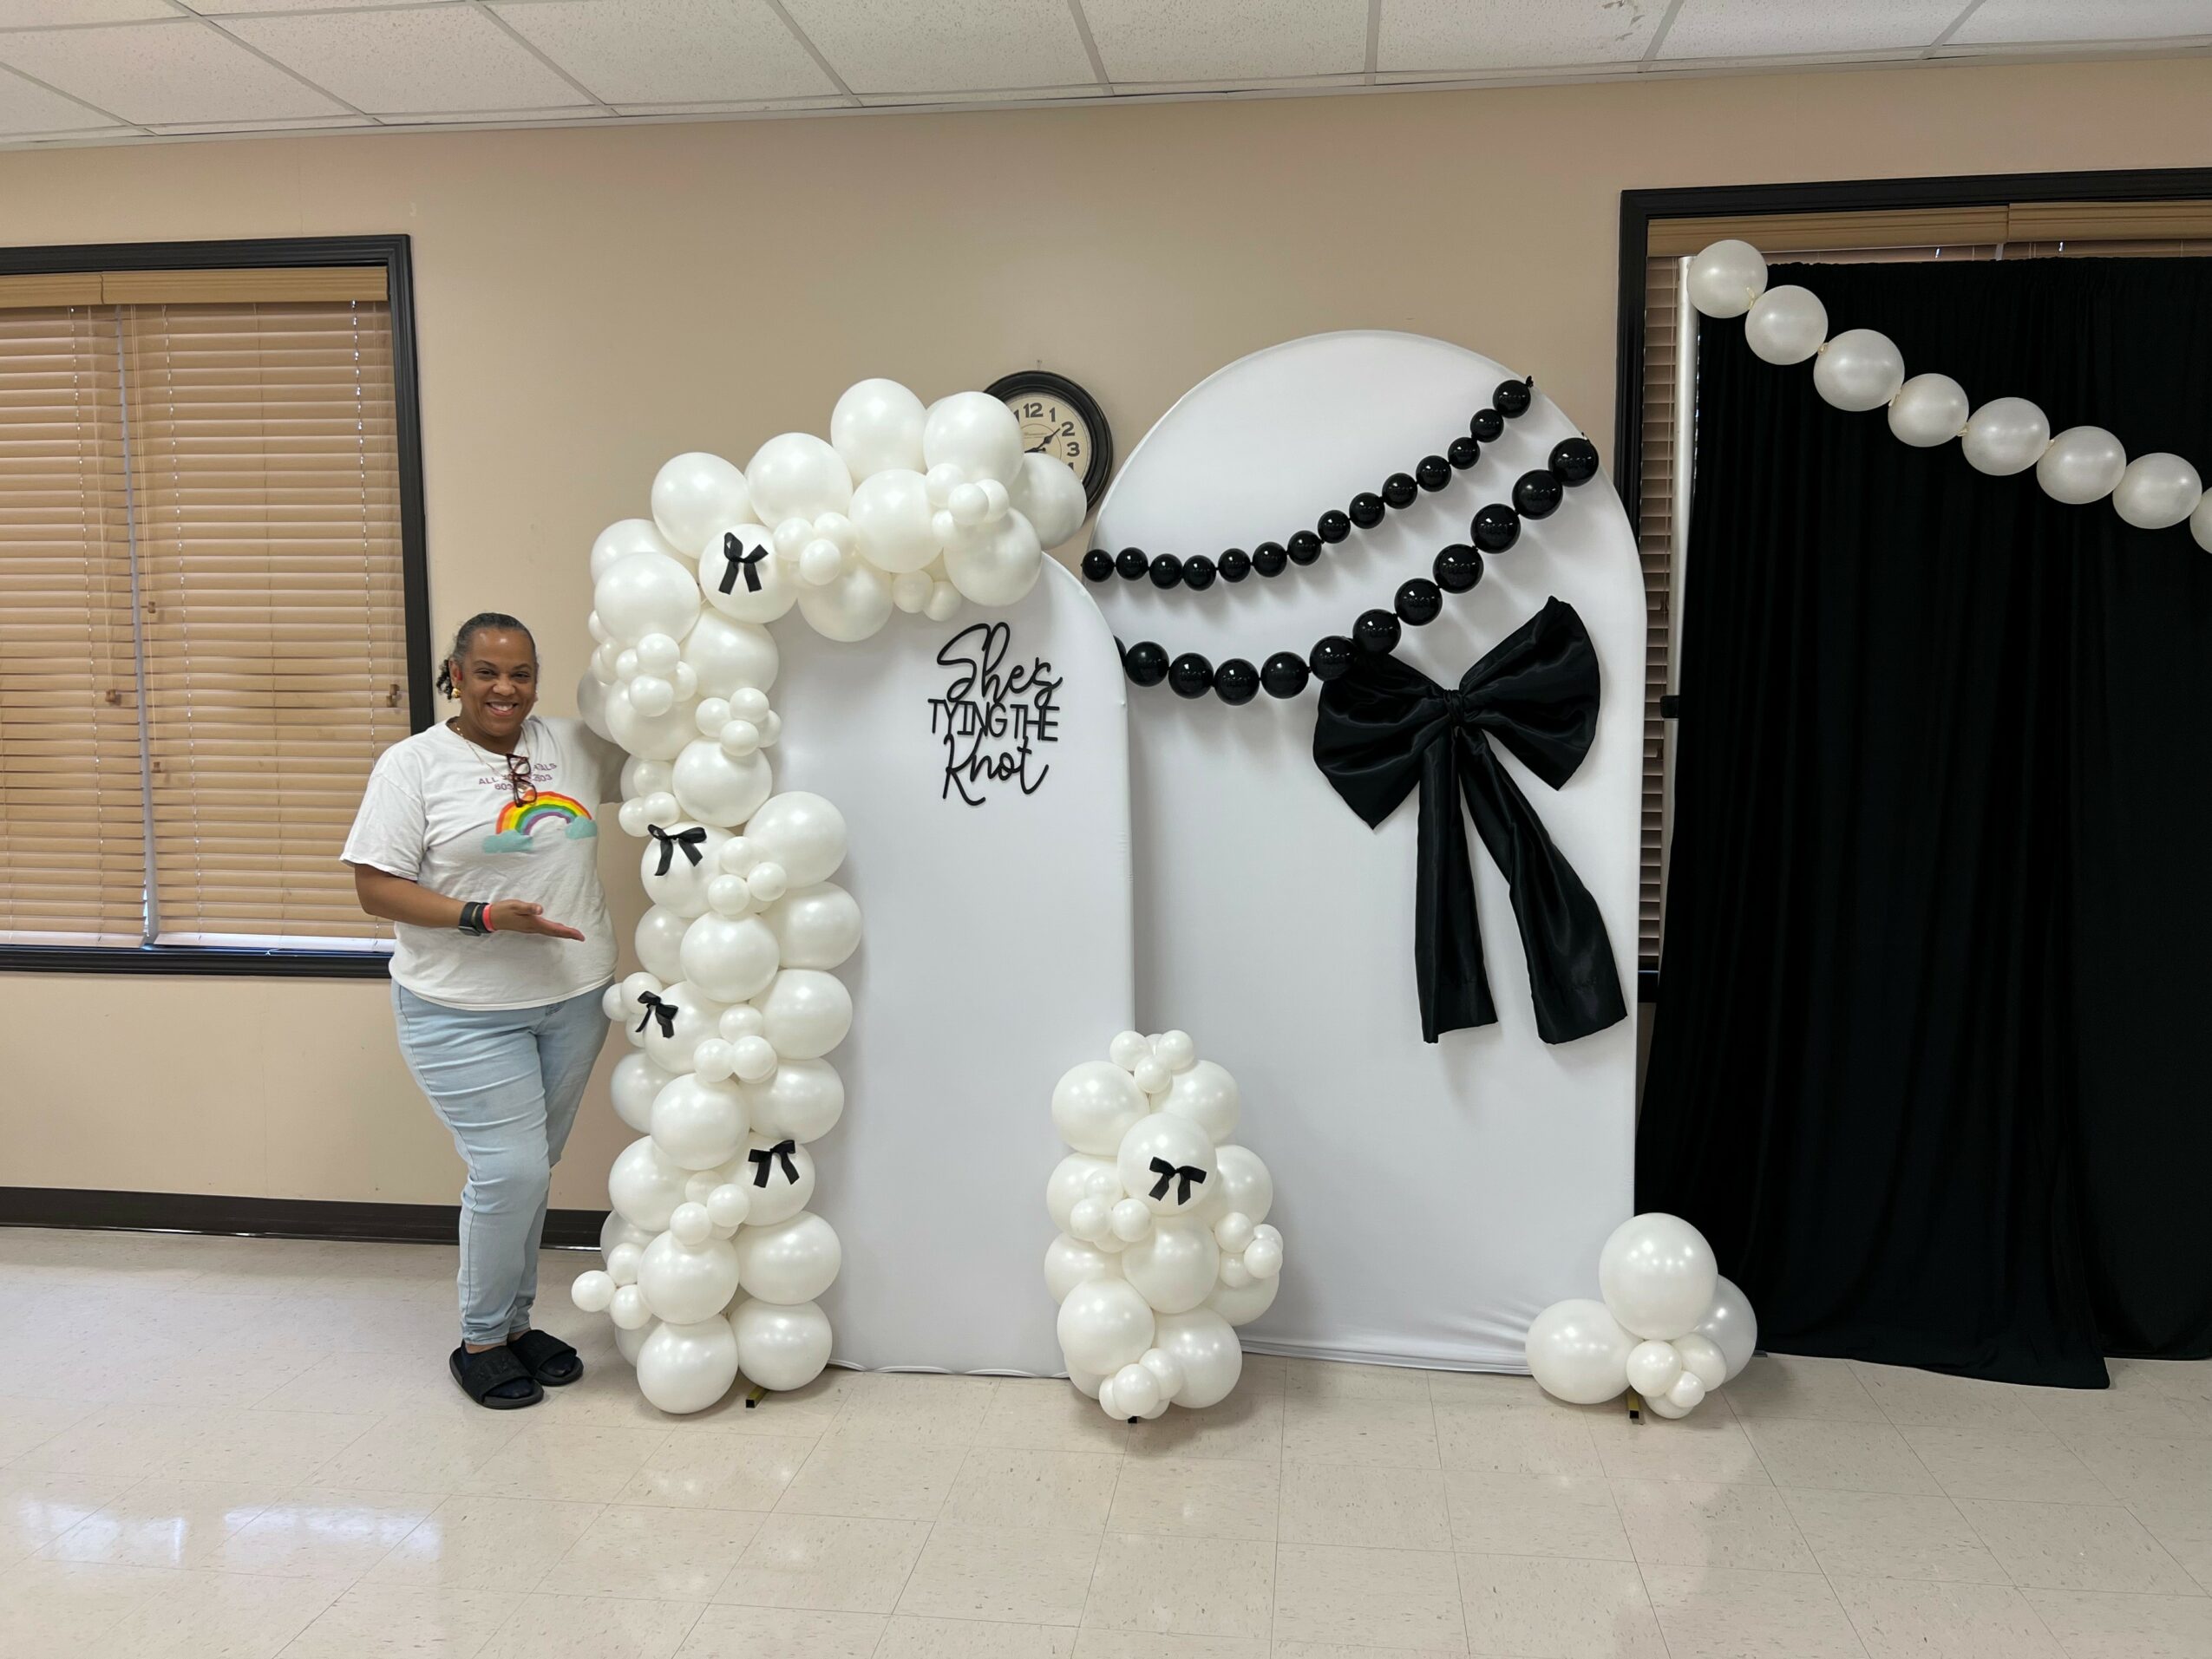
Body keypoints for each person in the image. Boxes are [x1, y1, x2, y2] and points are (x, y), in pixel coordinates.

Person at [344, 612, 626, 1408]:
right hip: (461, 1006)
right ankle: (480, 1338)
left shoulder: (574, 745)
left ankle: (515, 1323)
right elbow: (375, 886)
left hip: (572, 997)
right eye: (488, 672)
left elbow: (668, 759)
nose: (506, 689)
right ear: (455, 675)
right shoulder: (413, 766)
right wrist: (481, 915)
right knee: (511, 1169)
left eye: (522, 673)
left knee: (532, 1173)